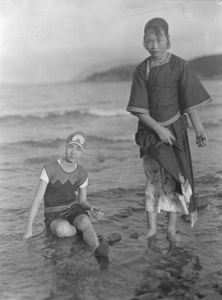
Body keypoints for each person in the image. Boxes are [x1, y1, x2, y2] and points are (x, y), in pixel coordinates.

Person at [126, 18, 212, 243]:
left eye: (158, 40)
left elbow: (189, 102)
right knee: (153, 179)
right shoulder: (141, 70)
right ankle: (152, 229)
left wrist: (199, 129)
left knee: (175, 180)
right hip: (150, 133)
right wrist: (158, 130)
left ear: (168, 40)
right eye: (149, 40)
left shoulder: (181, 66)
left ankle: (171, 229)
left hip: (176, 131)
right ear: (144, 41)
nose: (153, 45)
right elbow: (140, 110)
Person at [23, 131, 109, 257]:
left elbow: (82, 201)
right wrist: (28, 229)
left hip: (74, 210)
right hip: (54, 214)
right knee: (63, 229)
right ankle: (78, 231)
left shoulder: (82, 173)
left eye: (78, 149)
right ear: (65, 146)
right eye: (71, 147)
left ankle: (97, 250)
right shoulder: (49, 168)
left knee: (85, 220)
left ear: (83, 152)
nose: (73, 152)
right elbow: (37, 200)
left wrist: (90, 207)